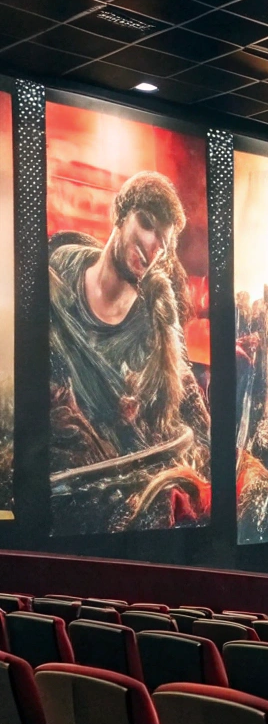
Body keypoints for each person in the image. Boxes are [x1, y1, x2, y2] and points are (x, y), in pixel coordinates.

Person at [48, 170, 210, 529]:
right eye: (147, 224)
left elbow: (188, 423)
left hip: (116, 491)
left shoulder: (152, 327)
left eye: (163, 243)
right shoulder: (61, 267)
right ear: (121, 215)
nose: (152, 246)